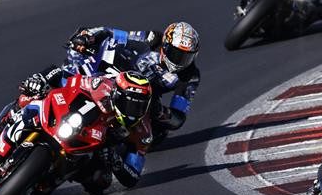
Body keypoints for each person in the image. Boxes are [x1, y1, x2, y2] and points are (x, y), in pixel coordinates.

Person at [17, 22, 201, 143]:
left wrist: (158, 110)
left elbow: (177, 119)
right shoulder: (152, 38)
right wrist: (89, 38)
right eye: (178, 54)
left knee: (143, 137)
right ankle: (26, 99)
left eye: (187, 56)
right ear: (166, 46)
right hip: (113, 80)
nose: (181, 61)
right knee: (66, 72)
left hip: (139, 105)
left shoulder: (190, 75)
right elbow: (110, 33)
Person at [0, 71, 154, 192]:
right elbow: (65, 75)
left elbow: (133, 175)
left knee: (100, 181)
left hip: (100, 150)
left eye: (138, 105)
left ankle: (52, 180)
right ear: (117, 95)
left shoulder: (144, 131)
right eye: (128, 103)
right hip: (79, 124)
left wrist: (117, 162)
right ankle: (0, 126)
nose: (132, 110)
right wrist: (42, 79)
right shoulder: (102, 85)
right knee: (29, 97)